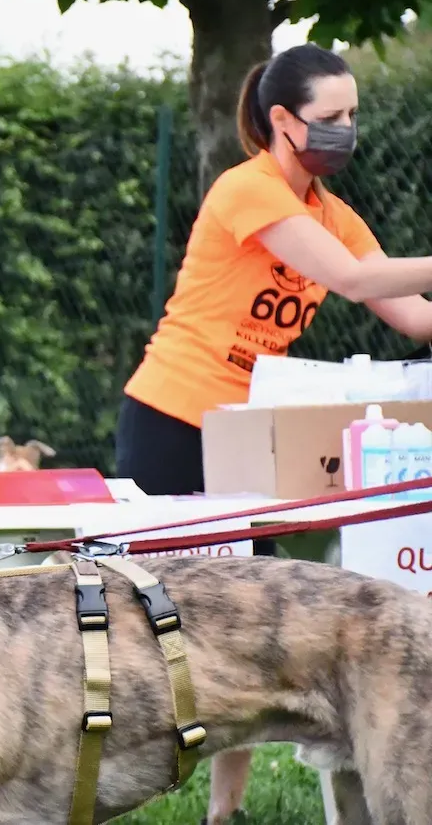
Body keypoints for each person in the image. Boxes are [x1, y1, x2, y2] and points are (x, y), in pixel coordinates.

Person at [117, 42, 432, 824]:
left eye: (354, 116)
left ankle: (226, 813)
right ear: (283, 121)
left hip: (245, 435)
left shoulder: (332, 213)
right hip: (171, 420)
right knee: (159, 616)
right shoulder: (247, 190)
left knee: (255, 622)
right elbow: (358, 281)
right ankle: (115, 768)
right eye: (331, 118)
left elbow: (410, 313)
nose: (346, 131)